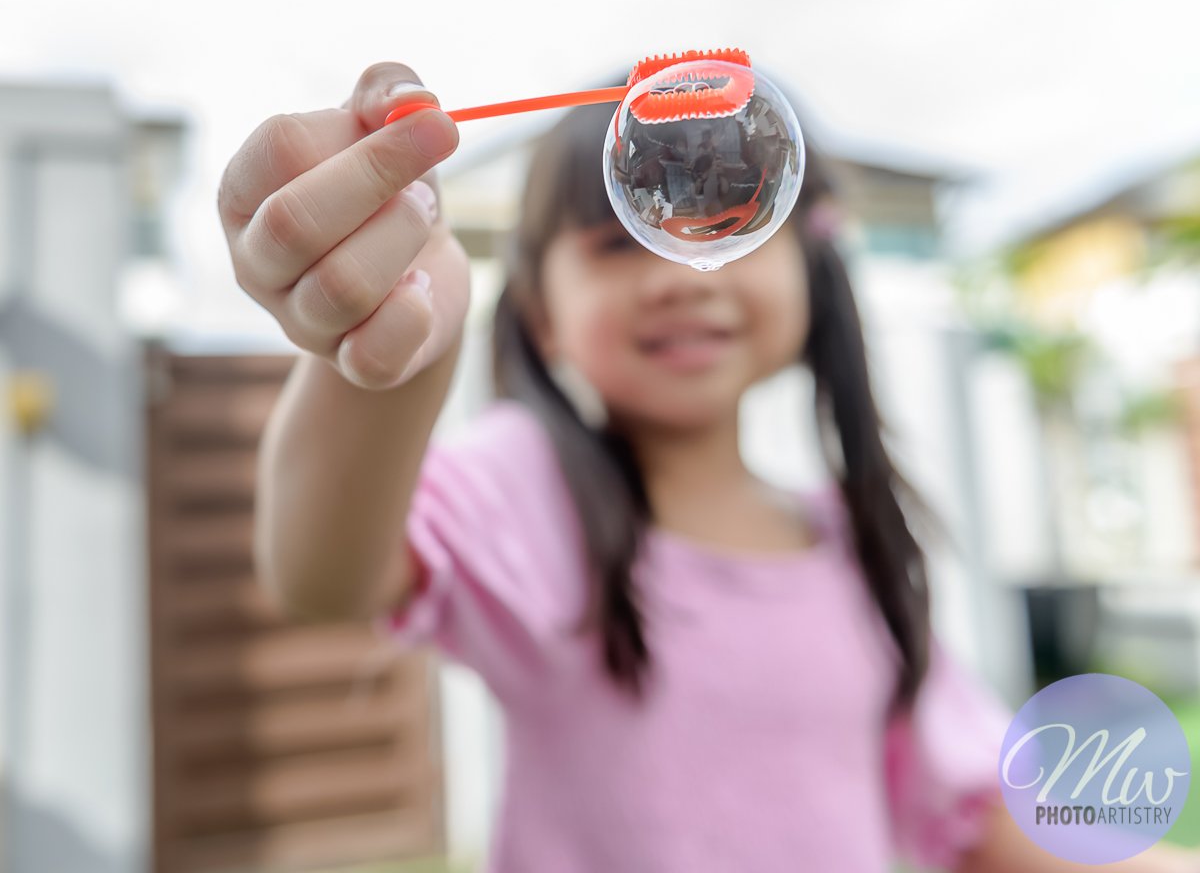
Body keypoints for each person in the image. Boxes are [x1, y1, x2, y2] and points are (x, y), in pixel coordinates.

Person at [218, 63, 1199, 873]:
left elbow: (983, 818)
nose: (680, 275)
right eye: (617, 240)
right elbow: (321, 572)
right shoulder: (532, 494)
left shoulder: (854, 552)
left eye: (730, 226)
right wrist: (395, 327)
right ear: (543, 312)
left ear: (813, 270)